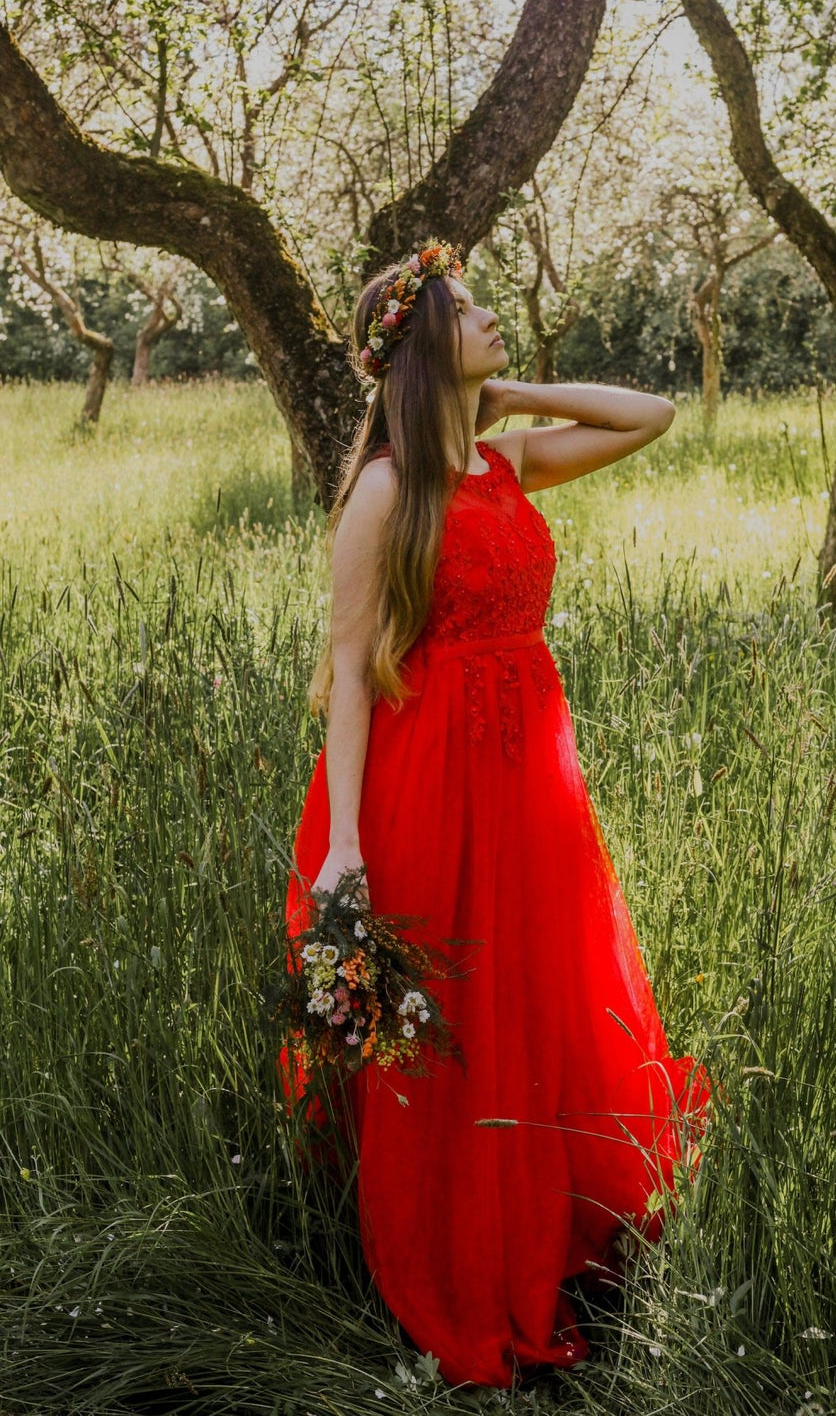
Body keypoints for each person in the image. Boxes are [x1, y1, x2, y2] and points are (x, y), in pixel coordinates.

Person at [280, 239, 710, 1389]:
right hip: (430, 775)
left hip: (530, 775)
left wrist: (504, 393)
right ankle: (454, 1248)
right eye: (466, 314)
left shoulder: (506, 462)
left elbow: (650, 412)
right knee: (453, 1006)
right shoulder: (386, 488)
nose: (490, 317)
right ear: (425, 349)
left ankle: (551, 1208)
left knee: (537, 983)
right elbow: (352, 666)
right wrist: (351, 847)